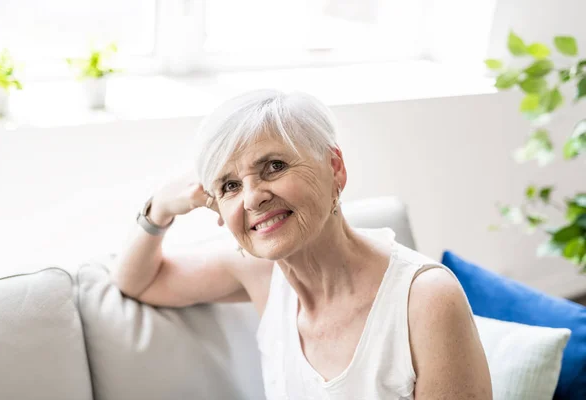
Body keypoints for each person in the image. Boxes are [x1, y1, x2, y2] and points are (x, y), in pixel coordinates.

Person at [112, 89, 492, 399]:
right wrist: (158, 208)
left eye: (274, 166)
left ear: (335, 168)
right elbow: (138, 281)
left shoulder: (426, 299)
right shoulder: (260, 273)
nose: (251, 198)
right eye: (230, 186)